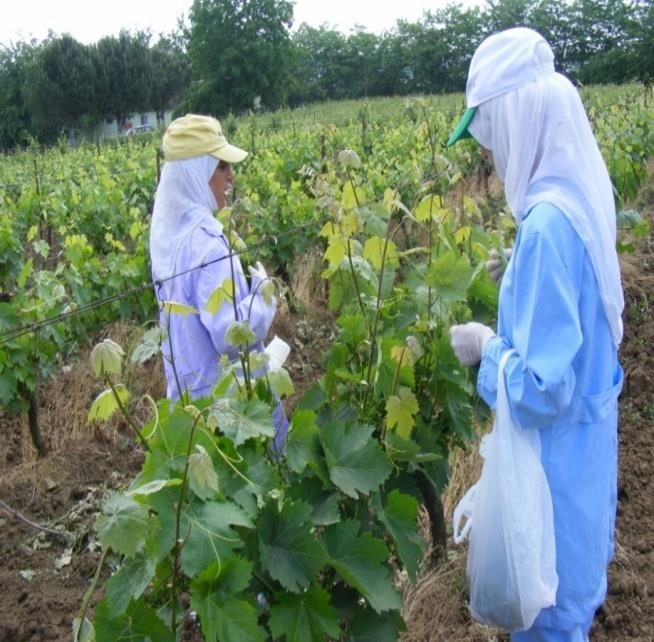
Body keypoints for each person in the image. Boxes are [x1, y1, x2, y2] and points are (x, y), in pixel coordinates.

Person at [447, 28, 624, 642]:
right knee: (572, 608)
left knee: (550, 624)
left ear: (518, 121)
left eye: (490, 139)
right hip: (582, 474)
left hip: (553, 487)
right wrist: (518, 265)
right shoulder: (571, 205)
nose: (490, 159)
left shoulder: (548, 229)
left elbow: (543, 391)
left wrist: (484, 347)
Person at [149, 114, 288, 453]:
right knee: (266, 479)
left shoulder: (169, 236)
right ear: (197, 171)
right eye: (221, 166)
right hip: (234, 409)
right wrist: (263, 297)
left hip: (193, 406)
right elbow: (230, 335)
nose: (231, 176)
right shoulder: (207, 243)